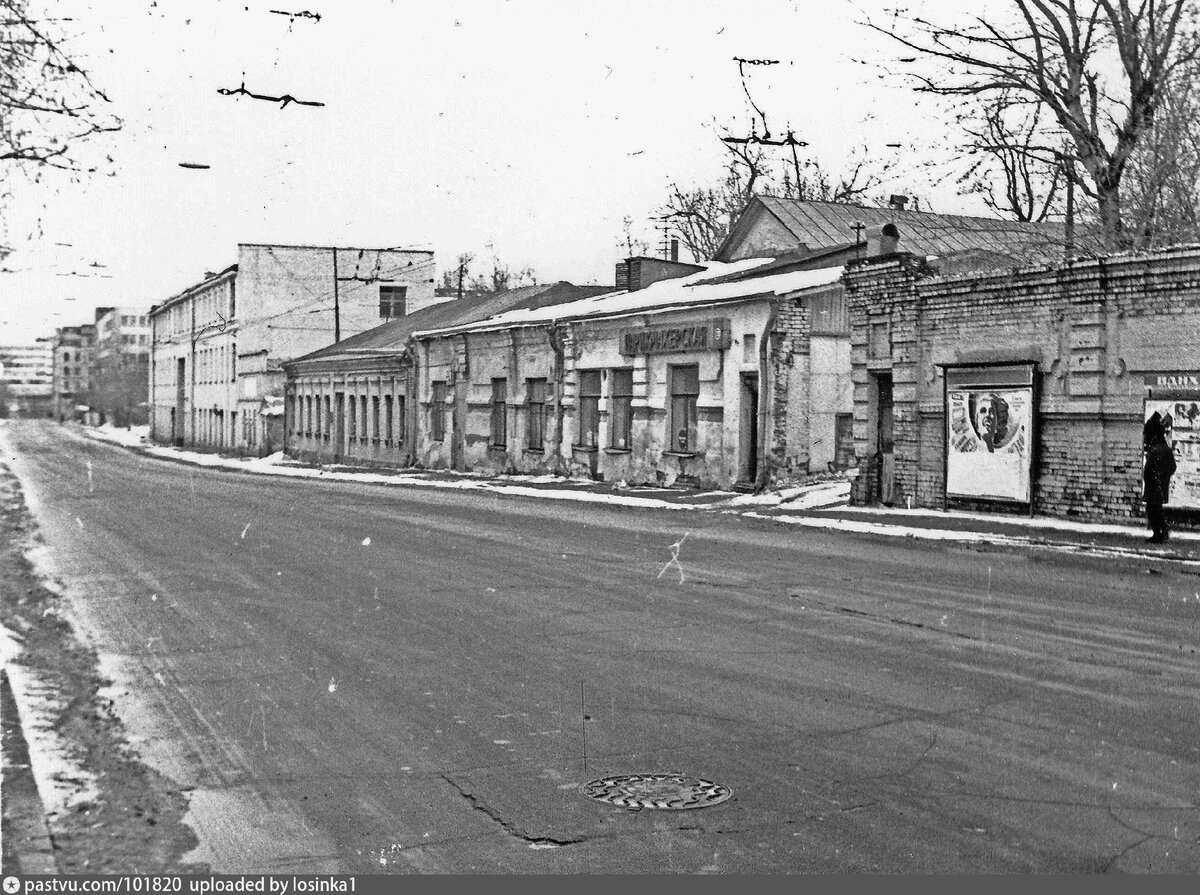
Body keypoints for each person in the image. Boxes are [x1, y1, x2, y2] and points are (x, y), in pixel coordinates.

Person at [1143, 412, 1177, 543]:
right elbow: (1172, 467)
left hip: (1153, 486)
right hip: (1160, 485)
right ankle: (1163, 531)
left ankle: (1158, 533)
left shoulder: (1154, 450)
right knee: (1157, 510)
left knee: (1152, 510)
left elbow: (1149, 470)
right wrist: (1164, 477)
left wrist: (1155, 478)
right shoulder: (1165, 448)